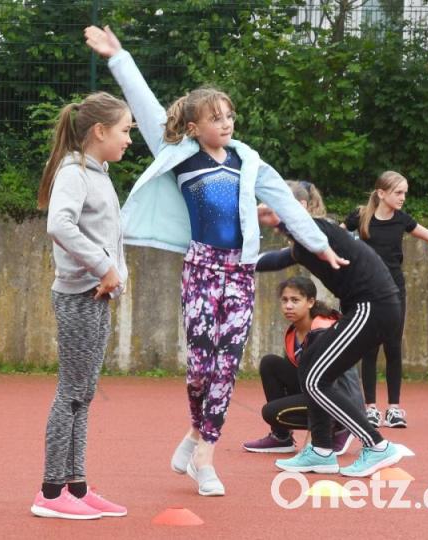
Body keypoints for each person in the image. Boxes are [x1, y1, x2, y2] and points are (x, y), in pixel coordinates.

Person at [84, 24, 345, 496]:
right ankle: (194, 430)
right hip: (200, 268)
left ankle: (205, 455)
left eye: (229, 115)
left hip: (239, 271)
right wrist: (117, 57)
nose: (226, 123)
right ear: (192, 126)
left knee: (227, 363)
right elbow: (144, 108)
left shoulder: (248, 160)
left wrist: (320, 245)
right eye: (215, 117)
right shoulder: (180, 156)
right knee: (201, 365)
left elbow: (286, 204)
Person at [29, 92, 132, 520]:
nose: (129, 139)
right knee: (71, 393)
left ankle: (77, 485)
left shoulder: (98, 172)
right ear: (100, 131)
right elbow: (60, 224)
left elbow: (105, 232)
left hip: (97, 295)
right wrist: (104, 265)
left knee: (83, 394)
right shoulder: (74, 172)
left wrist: (115, 274)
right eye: (125, 131)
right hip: (78, 296)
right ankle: (51, 492)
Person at [258, 181, 406, 477]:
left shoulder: (318, 230)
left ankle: (377, 446)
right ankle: (322, 451)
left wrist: (280, 219)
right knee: (311, 367)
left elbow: (300, 228)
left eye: (278, 207)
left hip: (373, 306)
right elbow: (276, 259)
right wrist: (234, 262)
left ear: (299, 207)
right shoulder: (306, 244)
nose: (272, 216)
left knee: (314, 378)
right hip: (367, 308)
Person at [342, 171, 428, 428]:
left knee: (393, 347)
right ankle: (370, 408)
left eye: (405, 193)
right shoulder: (360, 217)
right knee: (368, 349)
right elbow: (334, 235)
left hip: (393, 292)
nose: (403, 198)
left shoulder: (402, 220)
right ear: (382, 193)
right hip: (366, 291)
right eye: (398, 192)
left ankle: (394, 409)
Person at [241, 276, 357, 456]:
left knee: (272, 412)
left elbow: (324, 385)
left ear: (310, 302)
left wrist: (312, 444)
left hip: (340, 398)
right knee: (270, 363)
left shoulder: (323, 330)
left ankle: (340, 428)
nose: (288, 306)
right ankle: (281, 437)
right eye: (285, 300)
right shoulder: (294, 332)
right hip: (314, 390)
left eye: (295, 300)